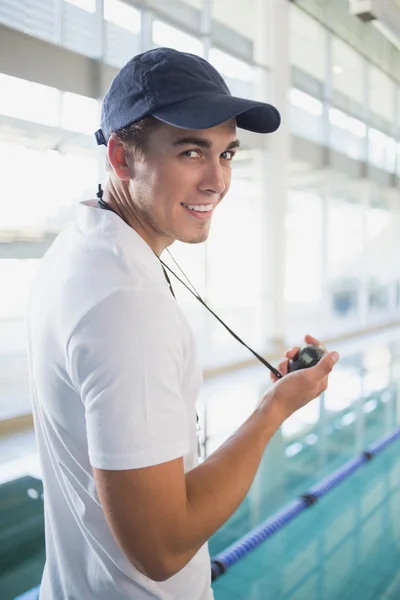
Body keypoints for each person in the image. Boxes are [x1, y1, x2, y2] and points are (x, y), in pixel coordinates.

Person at [27, 47, 339, 600]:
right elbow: (163, 549)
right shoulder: (125, 305)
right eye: (192, 151)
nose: (217, 181)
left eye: (228, 154)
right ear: (122, 157)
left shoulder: (81, 243)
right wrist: (272, 413)